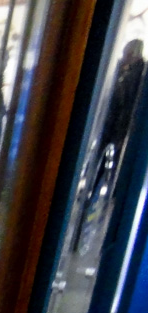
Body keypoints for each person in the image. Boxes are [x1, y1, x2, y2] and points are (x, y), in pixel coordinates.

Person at [73, 39, 144, 251]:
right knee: (103, 171)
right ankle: (92, 204)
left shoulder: (135, 75)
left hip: (115, 134)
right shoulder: (128, 73)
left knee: (107, 171)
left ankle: (95, 208)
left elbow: (125, 106)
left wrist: (121, 134)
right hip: (111, 131)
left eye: (127, 53)